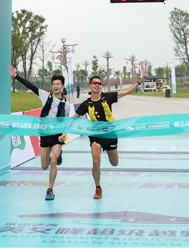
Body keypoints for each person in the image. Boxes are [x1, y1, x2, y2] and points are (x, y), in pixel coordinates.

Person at [74, 72, 148, 199]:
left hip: (110, 135)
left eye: (99, 83)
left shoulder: (108, 97)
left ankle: (108, 151)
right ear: (90, 85)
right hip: (95, 135)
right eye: (95, 83)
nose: (97, 85)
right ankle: (98, 188)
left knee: (114, 163)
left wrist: (140, 81)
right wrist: (64, 131)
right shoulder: (86, 104)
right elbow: (74, 118)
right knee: (95, 161)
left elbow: (126, 92)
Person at [8, 65, 73, 200]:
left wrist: (64, 133)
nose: (55, 86)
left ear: (62, 86)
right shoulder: (45, 96)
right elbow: (30, 86)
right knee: (44, 166)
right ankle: (57, 156)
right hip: (44, 134)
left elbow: (66, 122)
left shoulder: (66, 105)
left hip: (57, 136)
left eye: (58, 84)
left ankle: (50, 189)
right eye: (54, 84)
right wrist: (16, 76)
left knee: (53, 160)